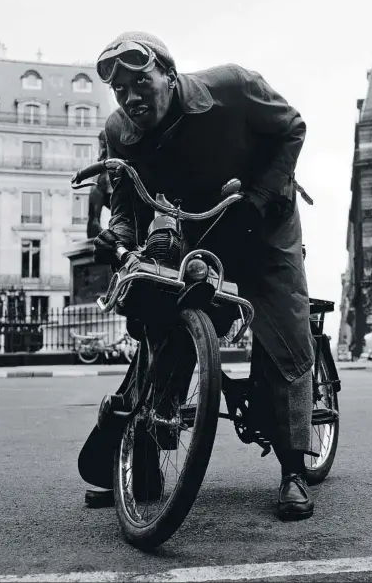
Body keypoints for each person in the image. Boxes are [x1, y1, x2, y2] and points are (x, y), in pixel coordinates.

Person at [89, 31, 316, 521]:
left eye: (140, 82)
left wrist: (259, 200)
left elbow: (292, 127)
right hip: (202, 227)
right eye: (119, 89)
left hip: (266, 222)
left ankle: (294, 468)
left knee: (283, 328)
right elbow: (126, 203)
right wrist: (117, 233)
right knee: (168, 325)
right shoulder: (118, 132)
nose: (130, 97)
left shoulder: (231, 88)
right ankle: (142, 460)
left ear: (169, 76)